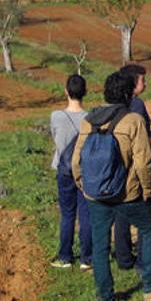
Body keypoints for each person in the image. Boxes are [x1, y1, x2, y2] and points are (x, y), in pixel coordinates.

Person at [72, 71, 151, 301]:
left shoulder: (89, 120)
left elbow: (76, 160)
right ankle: (150, 287)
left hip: (95, 194)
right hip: (127, 194)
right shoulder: (133, 121)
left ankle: (106, 296)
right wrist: (148, 191)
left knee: (100, 246)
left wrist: (83, 185)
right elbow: (143, 161)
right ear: (127, 94)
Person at [113, 64, 151, 270]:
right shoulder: (135, 104)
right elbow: (140, 137)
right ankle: (146, 264)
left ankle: (124, 258)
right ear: (133, 82)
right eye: (142, 80)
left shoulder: (117, 103)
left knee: (122, 215)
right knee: (149, 219)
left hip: (119, 166)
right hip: (136, 167)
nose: (145, 83)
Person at [49, 74, 92, 270]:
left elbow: (55, 138)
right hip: (84, 171)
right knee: (85, 214)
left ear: (66, 91)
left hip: (64, 170)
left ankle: (65, 256)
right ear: (85, 92)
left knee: (67, 214)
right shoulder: (90, 119)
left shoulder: (56, 116)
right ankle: (87, 258)